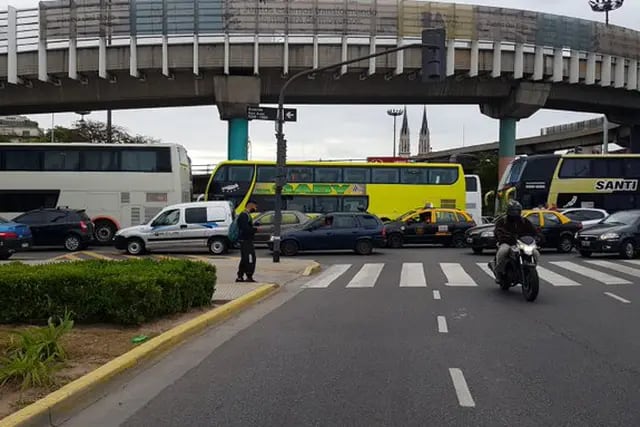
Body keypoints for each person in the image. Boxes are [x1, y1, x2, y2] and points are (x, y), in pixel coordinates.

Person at [490, 200, 540, 280]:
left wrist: (538, 236)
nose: (515, 212)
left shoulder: (524, 221)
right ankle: (499, 272)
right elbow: (497, 231)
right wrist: (503, 236)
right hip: (507, 243)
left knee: (535, 252)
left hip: (522, 243)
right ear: (508, 211)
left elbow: (534, 230)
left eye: (517, 210)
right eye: (513, 210)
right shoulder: (502, 221)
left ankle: (532, 269)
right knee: (503, 251)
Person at [237, 200, 258, 283]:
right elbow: (245, 229)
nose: (256, 209)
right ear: (250, 205)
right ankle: (249, 276)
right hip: (245, 240)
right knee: (250, 258)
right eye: (255, 207)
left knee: (244, 258)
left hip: (246, 240)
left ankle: (240, 276)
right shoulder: (244, 215)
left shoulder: (246, 215)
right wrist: (255, 229)